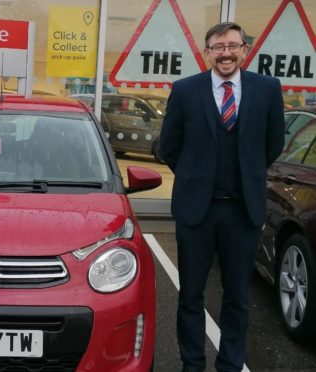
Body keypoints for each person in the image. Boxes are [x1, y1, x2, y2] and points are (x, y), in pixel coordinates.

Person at [159, 22, 285, 372]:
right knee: (190, 295)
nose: (226, 52)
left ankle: (230, 364)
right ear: (208, 51)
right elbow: (168, 146)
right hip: (196, 211)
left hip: (243, 211)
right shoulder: (185, 90)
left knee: (238, 297)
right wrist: (194, 174)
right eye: (218, 46)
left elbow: (273, 144)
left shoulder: (268, 89)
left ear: (245, 49)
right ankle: (192, 364)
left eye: (233, 45)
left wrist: (248, 172)